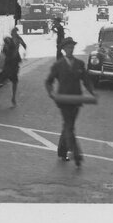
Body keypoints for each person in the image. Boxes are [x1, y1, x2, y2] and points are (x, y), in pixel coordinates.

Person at [45, 37, 96, 167]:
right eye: (67, 47)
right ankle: (77, 154)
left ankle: (62, 151)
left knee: (68, 126)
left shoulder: (79, 64)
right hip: (63, 101)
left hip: (76, 100)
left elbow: (86, 80)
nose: (70, 49)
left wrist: (92, 92)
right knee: (69, 126)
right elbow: (48, 81)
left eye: (72, 47)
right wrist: (51, 93)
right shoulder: (58, 65)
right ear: (63, 49)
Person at [0, 26, 27, 105]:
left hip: (12, 61)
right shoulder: (11, 40)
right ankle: (13, 97)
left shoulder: (14, 39)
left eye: (13, 32)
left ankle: (13, 97)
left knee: (12, 78)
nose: (12, 34)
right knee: (13, 79)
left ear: (14, 33)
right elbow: (24, 46)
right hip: (12, 61)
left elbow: (24, 45)